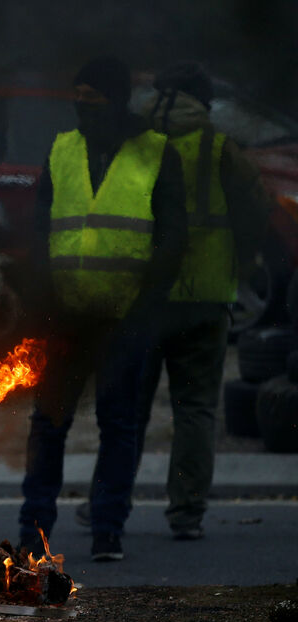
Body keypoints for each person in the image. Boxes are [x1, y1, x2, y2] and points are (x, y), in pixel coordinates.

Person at [17, 56, 187, 562]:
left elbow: (172, 240)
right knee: (48, 424)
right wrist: (42, 302)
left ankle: (107, 529)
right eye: (78, 102)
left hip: (124, 317)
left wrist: (145, 311)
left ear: (116, 102)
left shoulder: (156, 153)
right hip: (66, 317)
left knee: (118, 424)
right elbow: (39, 230)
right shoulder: (63, 149)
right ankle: (33, 531)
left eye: (93, 102)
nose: (82, 113)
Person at [131, 62, 270, 539]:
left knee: (129, 407)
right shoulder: (218, 148)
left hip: (144, 298)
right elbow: (256, 213)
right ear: (204, 103)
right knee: (194, 409)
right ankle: (186, 514)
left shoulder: (136, 145)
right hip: (205, 298)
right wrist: (243, 264)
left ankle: (108, 511)